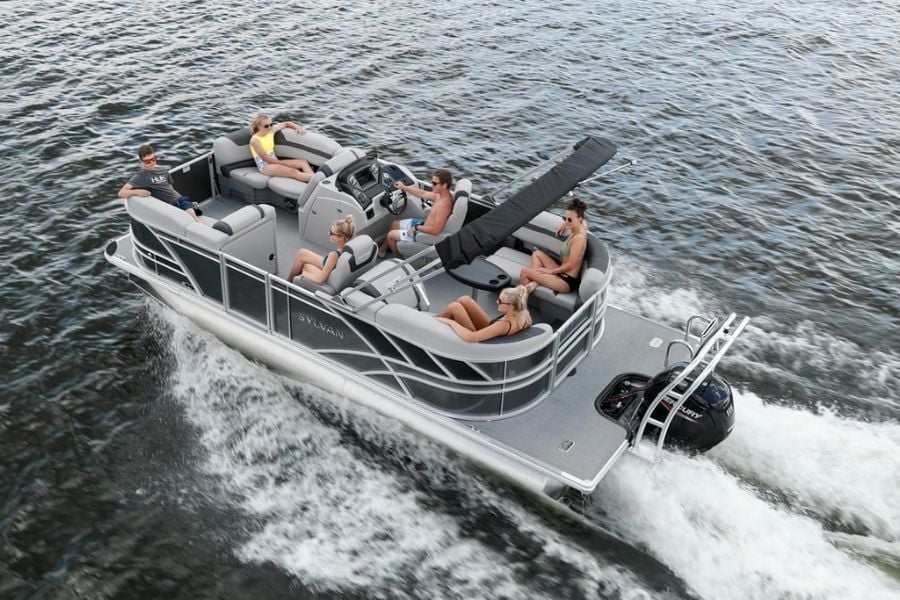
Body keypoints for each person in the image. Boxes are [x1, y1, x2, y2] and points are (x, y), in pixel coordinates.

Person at [379, 169, 454, 258]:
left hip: (423, 233)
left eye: (434, 183)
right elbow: (423, 193)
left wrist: (416, 228)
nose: (431, 185)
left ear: (444, 185)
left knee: (390, 236)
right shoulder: (440, 195)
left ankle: (398, 258)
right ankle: (382, 250)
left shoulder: (444, 205)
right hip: (423, 224)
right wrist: (404, 187)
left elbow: (436, 230)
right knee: (395, 224)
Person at [519, 199, 589, 294]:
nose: (566, 221)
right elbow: (584, 220)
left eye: (569, 220)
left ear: (579, 219)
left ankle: (521, 301)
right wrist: (564, 224)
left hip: (566, 280)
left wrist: (552, 271)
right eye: (564, 218)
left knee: (525, 272)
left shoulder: (578, 238)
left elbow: (571, 264)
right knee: (537, 253)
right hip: (562, 272)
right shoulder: (581, 226)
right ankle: (536, 281)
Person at [118, 144, 201, 221]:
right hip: (169, 205)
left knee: (191, 213)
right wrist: (137, 192)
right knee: (191, 217)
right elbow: (121, 193)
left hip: (180, 199)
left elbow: (171, 188)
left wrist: (180, 198)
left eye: (153, 159)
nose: (151, 163)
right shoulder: (140, 177)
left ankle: (194, 214)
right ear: (141, 161)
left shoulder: (163, 170)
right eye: (147, 161)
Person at [435, 285, 532, 343]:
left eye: (500, 301)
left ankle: (432, 327)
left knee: (454, 307)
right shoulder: (523, 312)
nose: (497, 302)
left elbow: (471, 337)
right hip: (491, 331)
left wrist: (451, 323)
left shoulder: (503, 325)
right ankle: (436, 321)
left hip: (480, 343)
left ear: (511, 306)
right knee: (464, 299)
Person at [287, 215, 355, 283]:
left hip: (327, 271)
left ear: (341, 238)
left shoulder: (334, 255)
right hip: (329, 265)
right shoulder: (349, 247)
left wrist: (304, 274)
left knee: (305, 266)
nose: (329, 234)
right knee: (302, 253)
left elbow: (320, 280)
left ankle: (288, 283)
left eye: (332, 233)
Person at [249, 114, 314, 182]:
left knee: (303, 162)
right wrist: (287, 164)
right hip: (265, 166)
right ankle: (317, 181)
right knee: (293, 171)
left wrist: (297, 127)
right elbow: (267, 159)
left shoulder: (271, 130)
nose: (269, 127)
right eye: (266, 126)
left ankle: (314, 180)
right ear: (259, 126)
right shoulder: (255, 140)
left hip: (274, 160)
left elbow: (286, 124)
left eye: (271, 124)